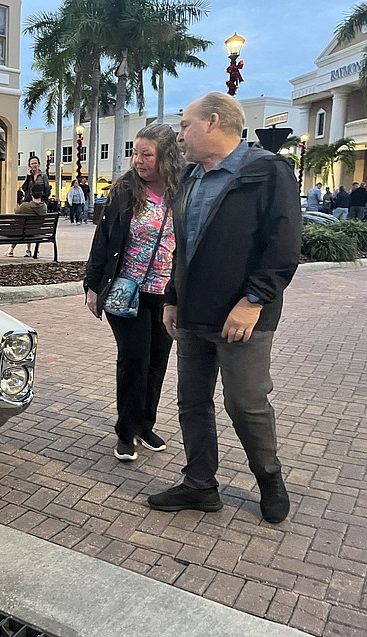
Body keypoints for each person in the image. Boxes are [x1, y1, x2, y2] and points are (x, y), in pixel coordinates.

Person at [148, 92, 301, 524]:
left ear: (213, 122)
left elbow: (284, 245)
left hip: (243, 316)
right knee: (192, 401)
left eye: (185, 126)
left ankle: (269, 479)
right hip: (193, 313)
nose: (179, 137)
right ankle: (199, 485)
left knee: (246, 403)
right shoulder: (193, 176)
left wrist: (253, 301)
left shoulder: (267, 170)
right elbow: (184, 247)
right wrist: (172, 299)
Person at [84, 123, 182, 462]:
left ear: (166, 156)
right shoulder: (125, 189)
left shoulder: (183, 190)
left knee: (157, 361)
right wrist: (92, 286)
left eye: (147, 154)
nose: (138, 160)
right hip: (126, 291)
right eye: (136, 153)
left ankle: (145, 424)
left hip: (167, 294)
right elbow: (103, 239)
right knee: (135, 357)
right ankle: (125, 431)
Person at [0, 183, 47, 258]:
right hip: (34, 232)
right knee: (18, 228)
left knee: (6, 230)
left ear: (31, 193)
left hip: (20, 231)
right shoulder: (44, 207)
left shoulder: (25, 206)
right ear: (42, 193)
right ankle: (10, 250)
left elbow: (16, 211)